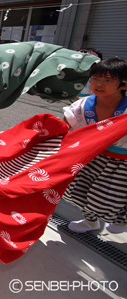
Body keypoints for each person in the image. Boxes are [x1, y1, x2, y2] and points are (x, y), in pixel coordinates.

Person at [62, 57, 127, 234]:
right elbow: (63, 127)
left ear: (124, 85)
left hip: (121, 163)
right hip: (90, 156)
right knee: (75, 192)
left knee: (104, 200)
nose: (99, 84)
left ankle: (122, 218)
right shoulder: (82, 105)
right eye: (96, 79)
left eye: (108, 80)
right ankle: (90, 221)